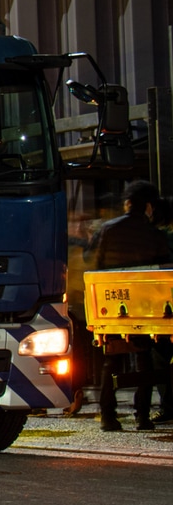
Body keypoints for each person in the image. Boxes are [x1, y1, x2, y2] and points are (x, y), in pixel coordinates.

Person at [91, 180, 171, 431]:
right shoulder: (154, 235)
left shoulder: (107, 230)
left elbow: (96, 263)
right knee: (144, 359)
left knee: (111, 362)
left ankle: (108, 416)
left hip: (111, 306)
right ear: (148, 206)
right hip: (146, 310)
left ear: (127, 204)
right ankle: (142, 417)